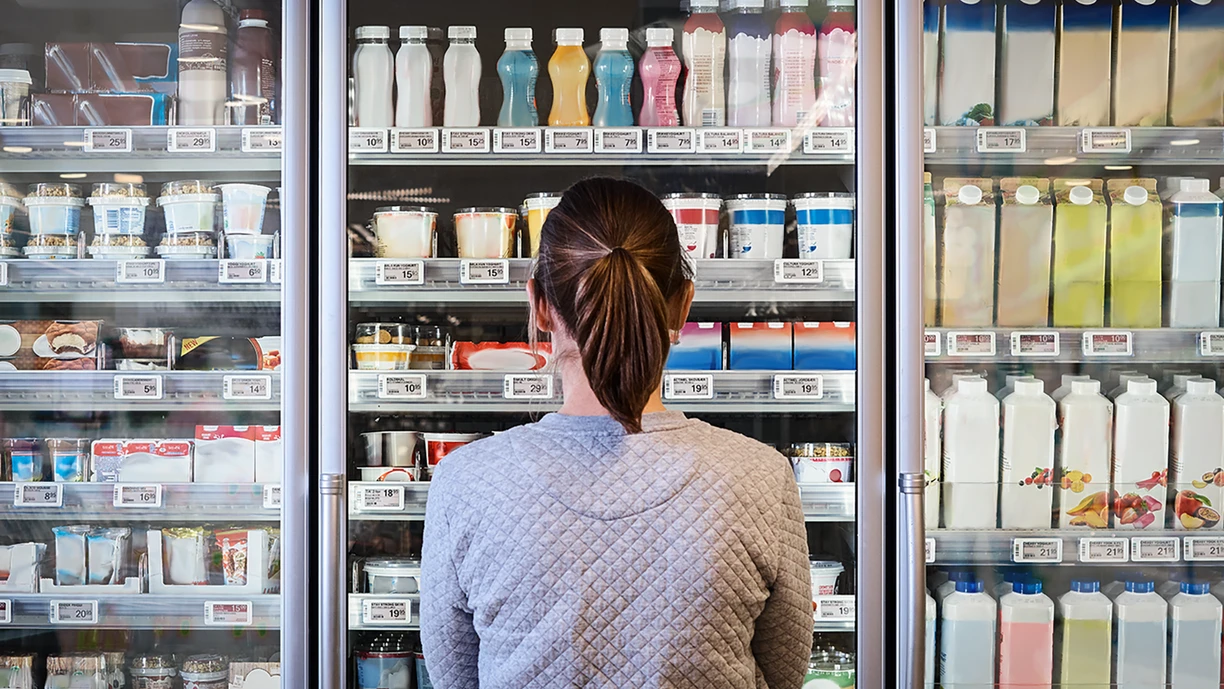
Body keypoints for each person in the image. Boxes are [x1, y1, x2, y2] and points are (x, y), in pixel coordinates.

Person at [421, 177, 813, 688]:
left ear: (539, 304)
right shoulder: (761, 477)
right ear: (682, 305)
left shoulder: (465, 481)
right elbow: (783, 672)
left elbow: (455, 677)